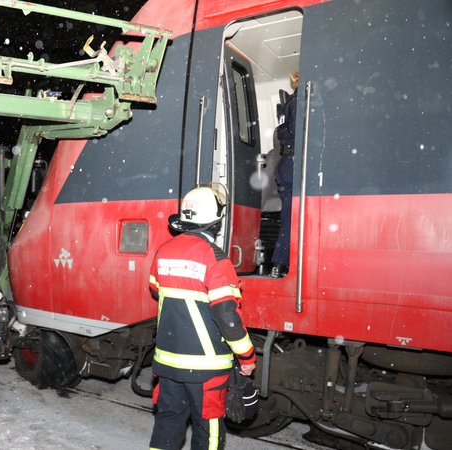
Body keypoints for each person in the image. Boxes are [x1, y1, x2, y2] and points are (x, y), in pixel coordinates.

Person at [149, 184, 257, 450]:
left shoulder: (164, 251)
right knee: (208, 431)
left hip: (168, 362)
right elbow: (226, 315)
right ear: (216, 222)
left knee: (167, 425)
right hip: (206, 368)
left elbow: (155, 289)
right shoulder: (216, 260)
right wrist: (247, 357)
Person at [271, 70, 299, 278]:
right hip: (293, 162)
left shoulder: (289, 103)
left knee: (288, 215)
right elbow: (299, 134)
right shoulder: (299, 103)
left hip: (285, 163)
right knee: (292, 216)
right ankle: (281, 264)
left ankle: (281, 263)